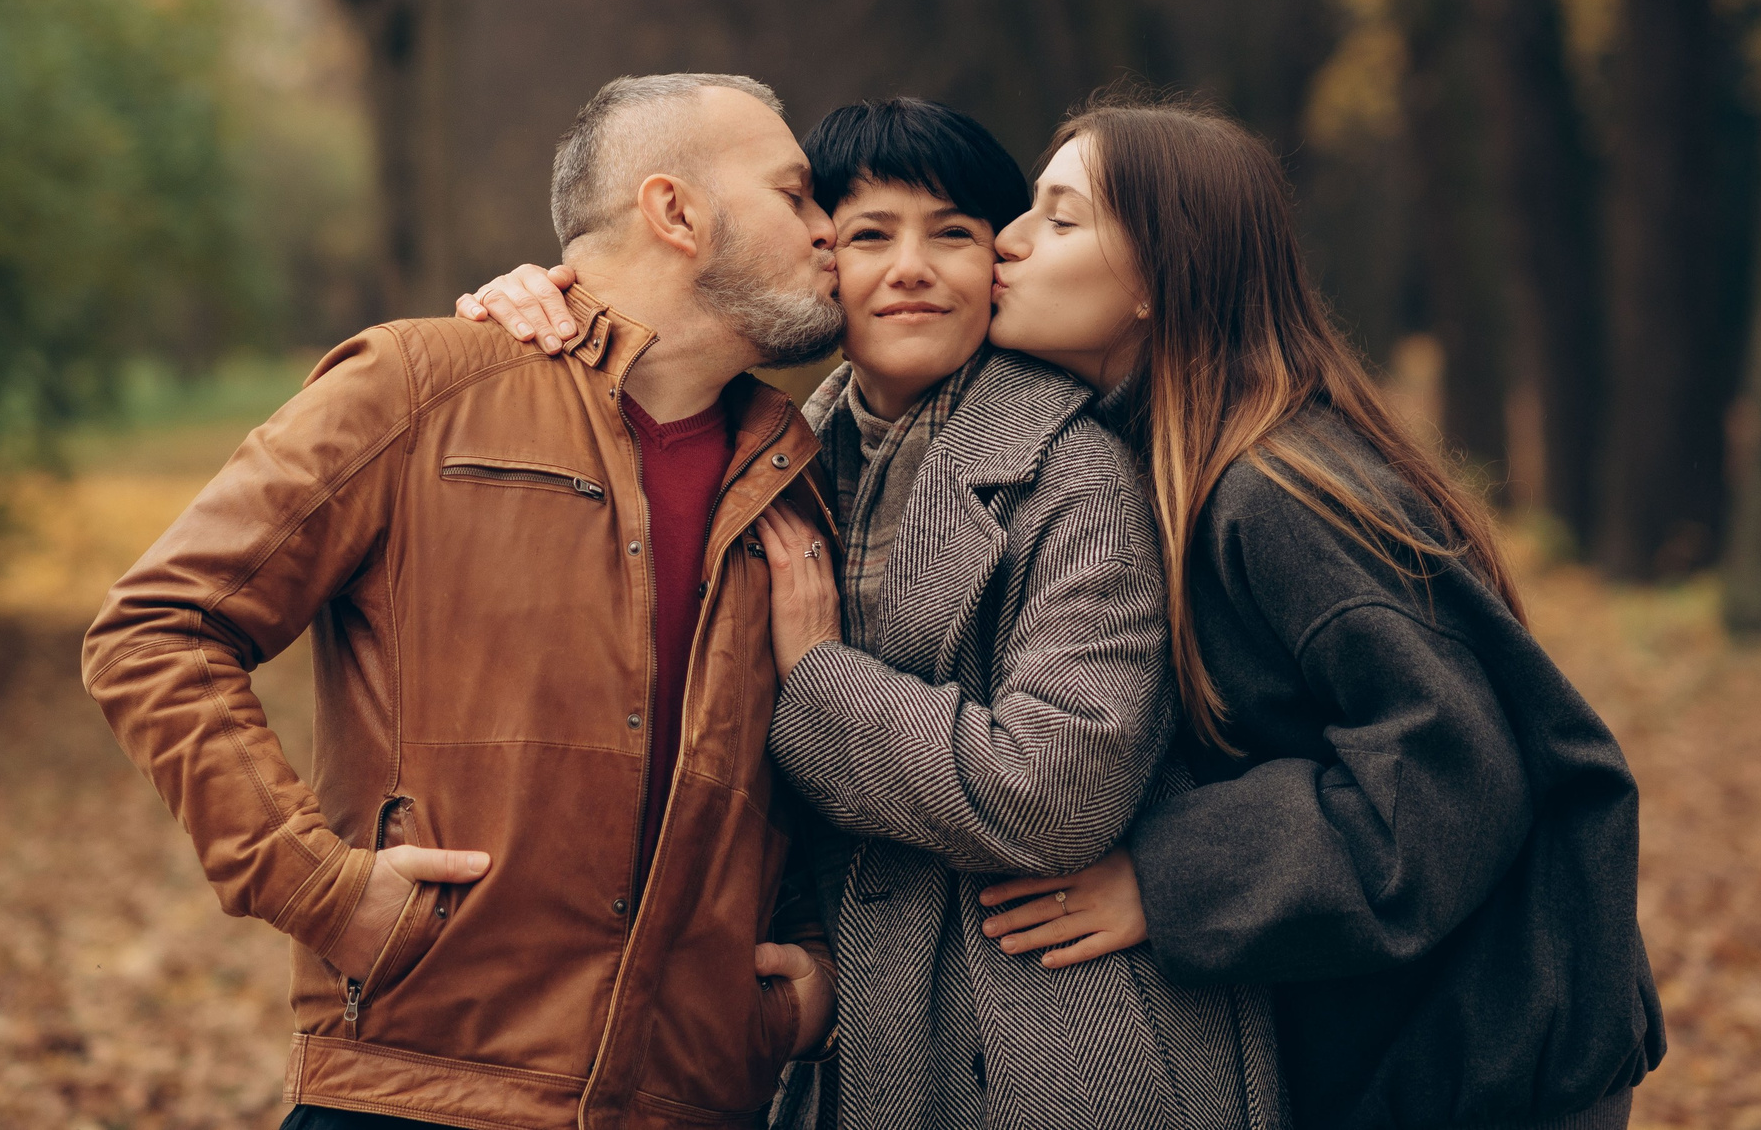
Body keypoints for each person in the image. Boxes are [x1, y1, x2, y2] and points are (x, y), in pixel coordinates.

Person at [462, 98, 1283, 1130]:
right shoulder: (766, 462)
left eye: (953, 232)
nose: (911, 266)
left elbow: (1056, 787)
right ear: (818, 261)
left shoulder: (1077, 475)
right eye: (866, 235)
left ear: (1000, 262)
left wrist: (820, 676)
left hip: (1062, 1037)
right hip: (858, 1034)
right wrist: (540, 300)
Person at [84, 73, 844, 1130]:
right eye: (798, 194)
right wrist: (319, 889)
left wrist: (801, 974)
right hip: (417, 1088)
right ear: (676, 211)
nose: (830, 230)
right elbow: (155, 626)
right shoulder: (417, 386)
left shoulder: (799, 471)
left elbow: (788, 760)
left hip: (689, 1098)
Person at [966, 101, 1668, 1130]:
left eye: (1061, 219)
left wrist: (1167, 878)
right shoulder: (1176, 465)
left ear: (1161, 277)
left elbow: (1447, 773)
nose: (1007, 240)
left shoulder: (1275, 490)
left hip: (1485, 1069)